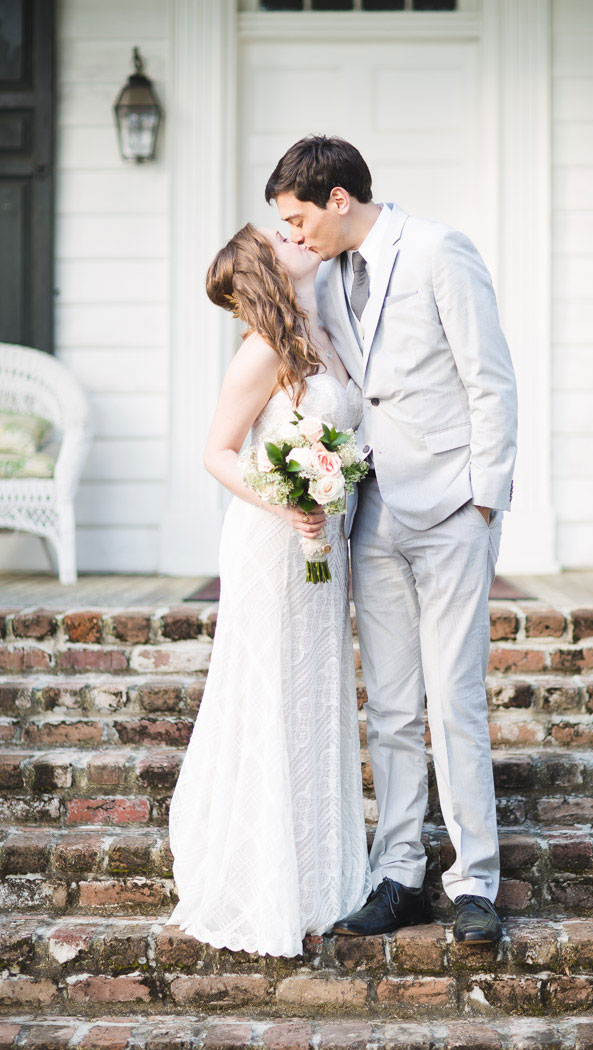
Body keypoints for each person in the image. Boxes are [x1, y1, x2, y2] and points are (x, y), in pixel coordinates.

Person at [265, 135, 518, 944]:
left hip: (451, 512)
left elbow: (490, 379)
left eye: (299, 217)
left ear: (339, 198)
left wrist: (486, 503)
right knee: (394, 709)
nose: (294, 234)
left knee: (456, 701)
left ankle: (475, 882)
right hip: (372, 519)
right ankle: (399, 874)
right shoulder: (331, 275)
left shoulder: (441, 251)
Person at [167, 222, 370, 958]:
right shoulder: (263, 352)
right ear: (266, 268)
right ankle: (264, 878)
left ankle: (319, 875)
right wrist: (283, 498)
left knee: (315, 698)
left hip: (325, 543)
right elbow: (218, 452)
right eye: (282, 237)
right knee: (275, 696)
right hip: (272, 539)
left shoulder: (334, 334)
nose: (300, 236)